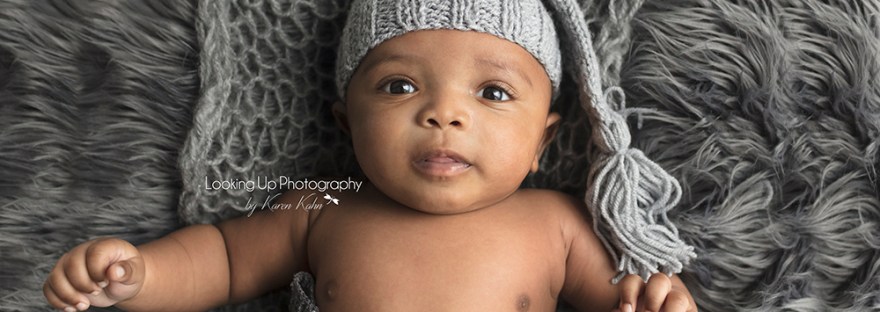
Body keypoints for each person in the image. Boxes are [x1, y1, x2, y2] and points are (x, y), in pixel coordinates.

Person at [44, 0, 698, 311]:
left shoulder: (554, 223)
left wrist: (662, 303)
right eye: (400, 85)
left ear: (543, 142)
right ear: (346, 121)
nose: (445, 113)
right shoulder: (325, 206)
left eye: (493, 92)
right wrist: (137, 277)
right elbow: (222, 258)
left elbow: (624, 300)